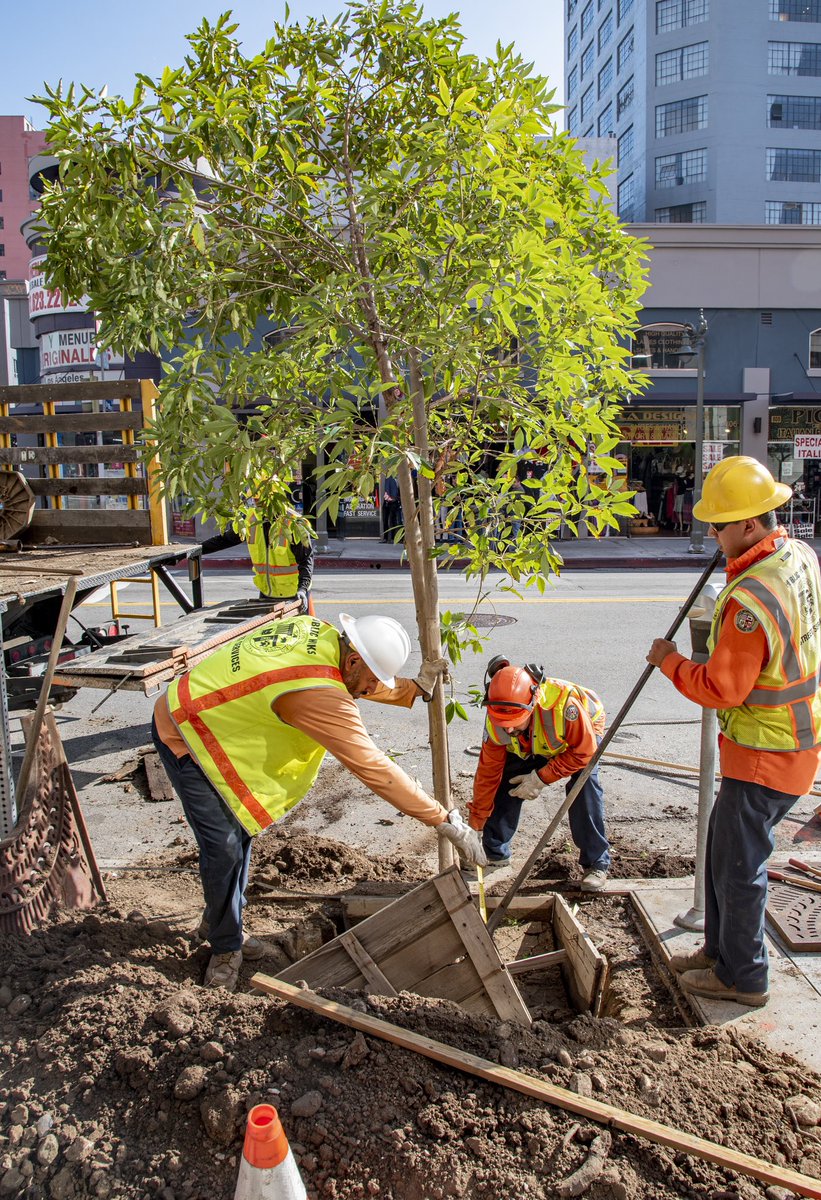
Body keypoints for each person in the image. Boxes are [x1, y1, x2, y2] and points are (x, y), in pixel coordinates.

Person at [152, 611, 486, 990]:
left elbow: (350, 680)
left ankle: (220, 920)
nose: (370, 689)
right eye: (374, 678)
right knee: (224, 847)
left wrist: (411, 689)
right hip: (187, 731)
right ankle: (226, 947)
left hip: (211, 710)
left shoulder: (321, 633)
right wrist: (444, 820)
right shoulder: (318, 695)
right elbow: (373, 767)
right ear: (355, 659)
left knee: (238, 832)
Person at [647, 456, 821, 1008]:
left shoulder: (751, 600)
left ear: (750, 524)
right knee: (724, 854)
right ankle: (719, 953)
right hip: (788, 740)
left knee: (740, 870)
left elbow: (723, 689)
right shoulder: (797, 556)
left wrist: (670, 661)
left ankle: (744, 978)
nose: (711, 533)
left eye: (719, 525)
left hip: (768, 751)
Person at [467, 657, 612, 891]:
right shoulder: (498, 717)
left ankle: (596, 863)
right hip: (534, 740)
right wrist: (475, 826)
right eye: (503, 723)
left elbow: (583, 753)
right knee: (506, 778)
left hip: (577, 739)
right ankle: (494, 852)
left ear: (532, 703)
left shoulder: (565, 707)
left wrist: (541, 778)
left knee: (584, 785)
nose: (509, 729)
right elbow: (487, 773)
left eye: (514, 722)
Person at [201, 500, 314, 613]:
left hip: (294, 595)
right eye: (255, 499)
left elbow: (306, 558)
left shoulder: (293, 522)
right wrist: (196, 549)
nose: (257, 503)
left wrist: (302, 589)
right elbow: (225, 540)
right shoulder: (250, 519)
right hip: (267, 593)